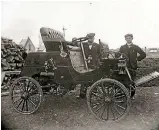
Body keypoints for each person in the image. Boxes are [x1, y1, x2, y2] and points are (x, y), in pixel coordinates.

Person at [119, 33, 146, 98]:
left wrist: (137, 59)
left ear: (132, 39)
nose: (128, 39)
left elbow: (143, 54)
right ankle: (123, 94)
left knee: (132, 81)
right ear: (125, 39)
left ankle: (132, 95)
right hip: (123, 66)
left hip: (132, 66)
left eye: (130, 38)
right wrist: (121, 58)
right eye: (127, 38)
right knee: (123, 80)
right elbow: (118, 55)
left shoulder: (135, 47)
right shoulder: (122, 47)